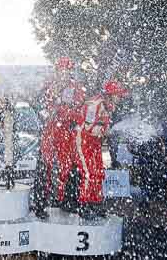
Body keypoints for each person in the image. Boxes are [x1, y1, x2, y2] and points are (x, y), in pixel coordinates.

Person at [75, 80, 128, 218]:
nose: (120, 99)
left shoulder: (109, 106)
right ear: (110, 95)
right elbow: (87, 127)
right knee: (88, 173)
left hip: (95, 142)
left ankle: (95, 202)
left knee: (98, 171)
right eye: (118, 96)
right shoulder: (95, 105)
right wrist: (103, 130)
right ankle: (83, 205)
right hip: (84, 140)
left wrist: (104, 131)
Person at [40, 57, 86, 215]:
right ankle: (42, 201)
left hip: (66, 132)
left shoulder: (76, 88)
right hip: (51, 130)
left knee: (67, 166)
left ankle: (65, 199)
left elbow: (78, 111)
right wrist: (54, 105)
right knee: (45, 165)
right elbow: (44, 106)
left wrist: (64, 112)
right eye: (61, 70)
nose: (64, 73)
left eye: (67, 70)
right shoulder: (50, 86)